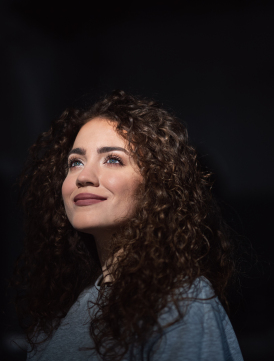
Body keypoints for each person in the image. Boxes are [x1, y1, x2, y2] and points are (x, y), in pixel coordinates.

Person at [13, 91, 243, 361]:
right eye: (75, 163)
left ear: (155, 186)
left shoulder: (182, 301)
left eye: (113, 159)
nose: (83, 176)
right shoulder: (61, 310)